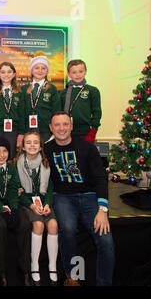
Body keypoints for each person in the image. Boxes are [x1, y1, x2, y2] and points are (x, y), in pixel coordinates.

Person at [45, 111, 114, 286]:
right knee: (67, 229)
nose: (62, 128)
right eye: (57, 125)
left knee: (106, 240)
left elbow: (100, 179)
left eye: (65, 124)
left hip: (89, 197)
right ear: (51, 128)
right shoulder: (46, 149)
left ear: (71, 126)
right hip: (62, 197)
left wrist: (102, 209)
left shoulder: (88, 148)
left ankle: (104, 283)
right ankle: (72, 276)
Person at [14, 131, 58, 286]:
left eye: (35, 143)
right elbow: (17, 191)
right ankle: (35, 266)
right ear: (23, 147)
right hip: (27, 203)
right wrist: (31, 205)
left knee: (53, 225)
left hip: (43, 202)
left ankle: (52, 266)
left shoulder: (46, 164)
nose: (32, 145)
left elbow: (51, 188)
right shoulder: (16, 164)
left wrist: (47, 204)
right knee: (38, 225)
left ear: (40, 147)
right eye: (28, 142)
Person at [0, 136, 32, 286]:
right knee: (0, 226)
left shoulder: (11, 168)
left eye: (5, 151)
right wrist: (2, 210)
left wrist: (12, 209)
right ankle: (1, 271)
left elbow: (13, 190)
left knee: (25, 224)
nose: (1, 154)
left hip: (10, 204)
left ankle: (24, 269)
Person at [17, 52, 61, 146]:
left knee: (46, 155)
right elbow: (21, 112)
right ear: (32, 70)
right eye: (37, 68)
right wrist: (21, 132)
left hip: (46, 130)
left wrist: (54, 130)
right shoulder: (24, 89)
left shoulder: (52, 88)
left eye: (43, 68)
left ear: (47, 71)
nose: (40, 71)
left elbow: (56, 112)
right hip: (28, 130)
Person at [60, 59, 102, 143]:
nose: (78, 75)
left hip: (85, 132)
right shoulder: (63, 93)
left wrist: (93, 131)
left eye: (80, 71)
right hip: (65, 131)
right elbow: (59, 112)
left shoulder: (92, 90)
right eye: (74, 72)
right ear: (69, 74)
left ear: (85, 71)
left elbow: (97, 112)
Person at [0, 61, 20, 159]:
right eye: (3, 72)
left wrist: (22, 132)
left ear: (14, 74)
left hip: (13, 130)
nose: (6, 75)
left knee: (10, 157)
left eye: (9, 72)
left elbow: (23, 113)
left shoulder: (20, 93)